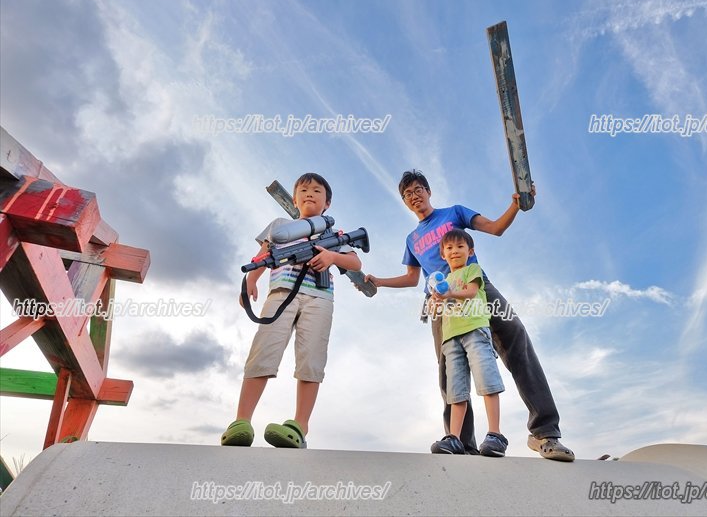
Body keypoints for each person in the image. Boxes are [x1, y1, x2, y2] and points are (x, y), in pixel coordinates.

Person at [364, 170, 574, 461]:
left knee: (516, 339)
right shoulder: (412, 239)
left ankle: (545, 433)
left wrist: (516, 204)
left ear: (428, 191)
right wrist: (379, 281)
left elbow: (495, 228)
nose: (414, 196)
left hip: (477, 286)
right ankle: (461, 442)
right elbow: (412, 278)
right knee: (449, 367)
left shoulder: (454, 212)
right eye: (407, 194)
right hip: (440, 303)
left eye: (418, 190)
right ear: (405, 201)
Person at [221, 173, 361, 449]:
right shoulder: (280, 225)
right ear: (295, 198)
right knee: (264, 350)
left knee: (311, 359)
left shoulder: (333, 234)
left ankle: (299, 427)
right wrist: (249, 282)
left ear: (327, 203)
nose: (310, 194)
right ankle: (241, 421)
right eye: (304, 190)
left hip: (320, 298)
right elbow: (262, 255)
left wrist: (331, 256)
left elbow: (354, 262)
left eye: (317, 191)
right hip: (281, 293)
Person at [430, 228, 507, 457]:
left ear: (470, 251)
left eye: (460, 247)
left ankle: (495, 434)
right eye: (449, 248)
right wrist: (436, 302)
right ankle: (454, 438)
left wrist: (448, 293)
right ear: (443, 254)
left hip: (475, 331)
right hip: (451, 338)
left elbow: (472, 291)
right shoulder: (442, 281)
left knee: (487, 379)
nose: (455, 251)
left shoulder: (472, 270)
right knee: (456, 390)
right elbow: (439, 309)